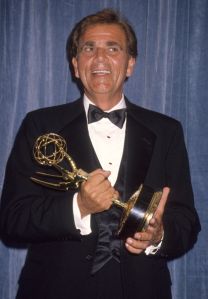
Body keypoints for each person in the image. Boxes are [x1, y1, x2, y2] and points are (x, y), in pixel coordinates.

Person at [0, 8, 200, 299]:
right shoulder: (40, 125)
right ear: (76, 64)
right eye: (89, 48)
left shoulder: (167, 130)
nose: (100, 58)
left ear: (130, 64)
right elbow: (12, 220)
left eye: (113, 48)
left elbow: (187, 221)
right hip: (54, 289)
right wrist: (78, 206)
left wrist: (159, 236)